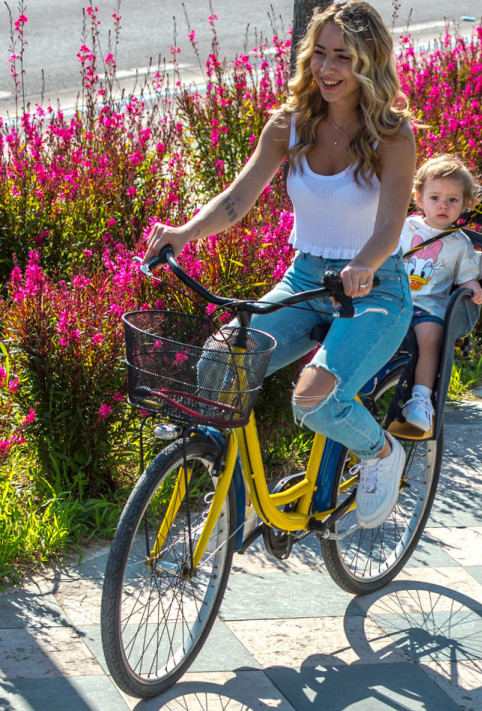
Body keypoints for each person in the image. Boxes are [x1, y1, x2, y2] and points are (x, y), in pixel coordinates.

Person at [144, 1, 415, 529]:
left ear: (368, 62)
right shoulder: (290, 125)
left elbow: (389, 227)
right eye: (320, 54)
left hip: (375, 287)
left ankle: (381, 453)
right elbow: (235, 201)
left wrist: (361, 266)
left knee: (312, 402)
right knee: (219, 361)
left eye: (343, 57)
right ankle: (237, 502)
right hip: (306, 278)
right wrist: (181, 234)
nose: (328, 69)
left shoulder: (392, 134)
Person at [392, 155, 482, 439]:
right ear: (419, 198)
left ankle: (420, 400)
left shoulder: (460, 243)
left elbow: (466, 275)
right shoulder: (404, 227)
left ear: (465, 204)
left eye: (453, 200)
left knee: (432, 338)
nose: (443, 205)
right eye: (434, 197)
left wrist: (473, 286)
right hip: (392, 298)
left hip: (427, 309)